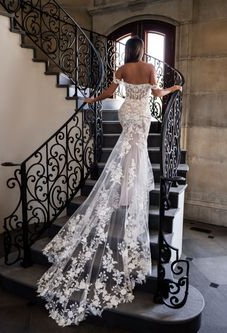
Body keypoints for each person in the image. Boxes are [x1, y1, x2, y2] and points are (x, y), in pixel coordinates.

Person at [37, 37, 182, 327]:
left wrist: (92, 99)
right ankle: (130, 192)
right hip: (141, 116)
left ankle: (125, 190)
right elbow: (158, 93)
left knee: (127, 153)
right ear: (142, 50)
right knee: (136, 153)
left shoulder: (123, 68)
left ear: (128, 51)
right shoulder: (149, 68)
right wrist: (175, 87)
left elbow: (109, 92)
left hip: (126, 113)